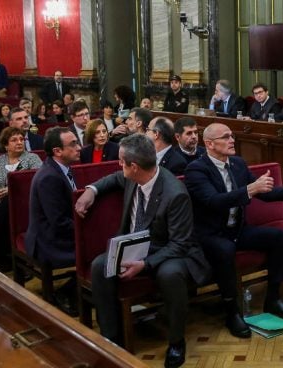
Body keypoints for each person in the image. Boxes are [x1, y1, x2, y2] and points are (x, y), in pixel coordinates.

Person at [75, 133, 210, 368]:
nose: (119, 165)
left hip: (168, 249)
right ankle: (111, 340)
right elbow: (114, 178)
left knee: (170, 274)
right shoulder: (132, 176)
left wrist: (145, 265)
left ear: (134, 166)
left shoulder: (175, 193)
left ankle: (177, 342)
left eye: (121, 161)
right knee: (99, 266)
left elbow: (180, 243)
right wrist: (91, 190)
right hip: (135, 244)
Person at [184, 123, 283, 339]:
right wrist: (249, 190)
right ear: (209, 144)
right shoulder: (196, 169)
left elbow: (263, 193)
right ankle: (231, 312)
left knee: (278, 238)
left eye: (231, 135)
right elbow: (212, 201)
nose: (232, 140)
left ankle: (273, 298)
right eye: (225, 137)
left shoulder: (237, 163)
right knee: (225, 249)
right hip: (211, 234)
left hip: (237, 229)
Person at [25, 126, 81, 315]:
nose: (79, 147)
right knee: (101, 250)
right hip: (48, 240)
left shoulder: (60, 168)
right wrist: (87, 233)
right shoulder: (49, 177)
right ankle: (66, 292)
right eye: (73, 144)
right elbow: (58, 222)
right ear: (57, 151)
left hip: (57, 232)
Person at [0, 127, 42, 270]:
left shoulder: (33, 159)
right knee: (6, 204)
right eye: (14, 140)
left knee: (11, 198)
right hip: (1, 207)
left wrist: (11, 190)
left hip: (25, 206)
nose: (19, 142)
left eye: (21, 139)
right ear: (6, 145)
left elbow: (36, 183)